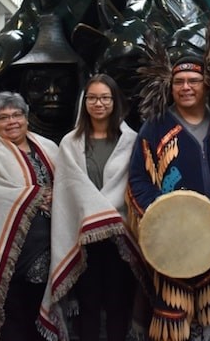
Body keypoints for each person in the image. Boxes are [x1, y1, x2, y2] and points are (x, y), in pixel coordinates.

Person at [127, 56, 210, 341]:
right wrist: (161, 215)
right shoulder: (155, 127)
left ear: (207, 84)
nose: (185, 87)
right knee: (174, 316)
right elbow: (138, 178)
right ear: (170, 86)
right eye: (179, 82)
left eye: (193, 81)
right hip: (172, 241)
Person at [37, 74, 139, 340]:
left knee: (119, 303)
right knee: (88, 305)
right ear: (84, 103)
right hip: (83, 237)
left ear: (115, 102)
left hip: (120, 234)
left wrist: (108, 214)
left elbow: (133, 185)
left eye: (105, 97)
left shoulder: (132, 141)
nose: (99, 103)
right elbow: (68, 189)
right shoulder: (70, 143)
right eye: (92, 98)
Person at [0, 91, 58, 341]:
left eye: (17, 114)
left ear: (27, 117)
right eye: (3, 117)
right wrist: (36, 196)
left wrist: (58, 195)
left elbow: (66, 181)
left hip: (50, 247)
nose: (12, 121)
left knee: (40, 311)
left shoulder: (48, 147)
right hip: (9, 253)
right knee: (12, 315)